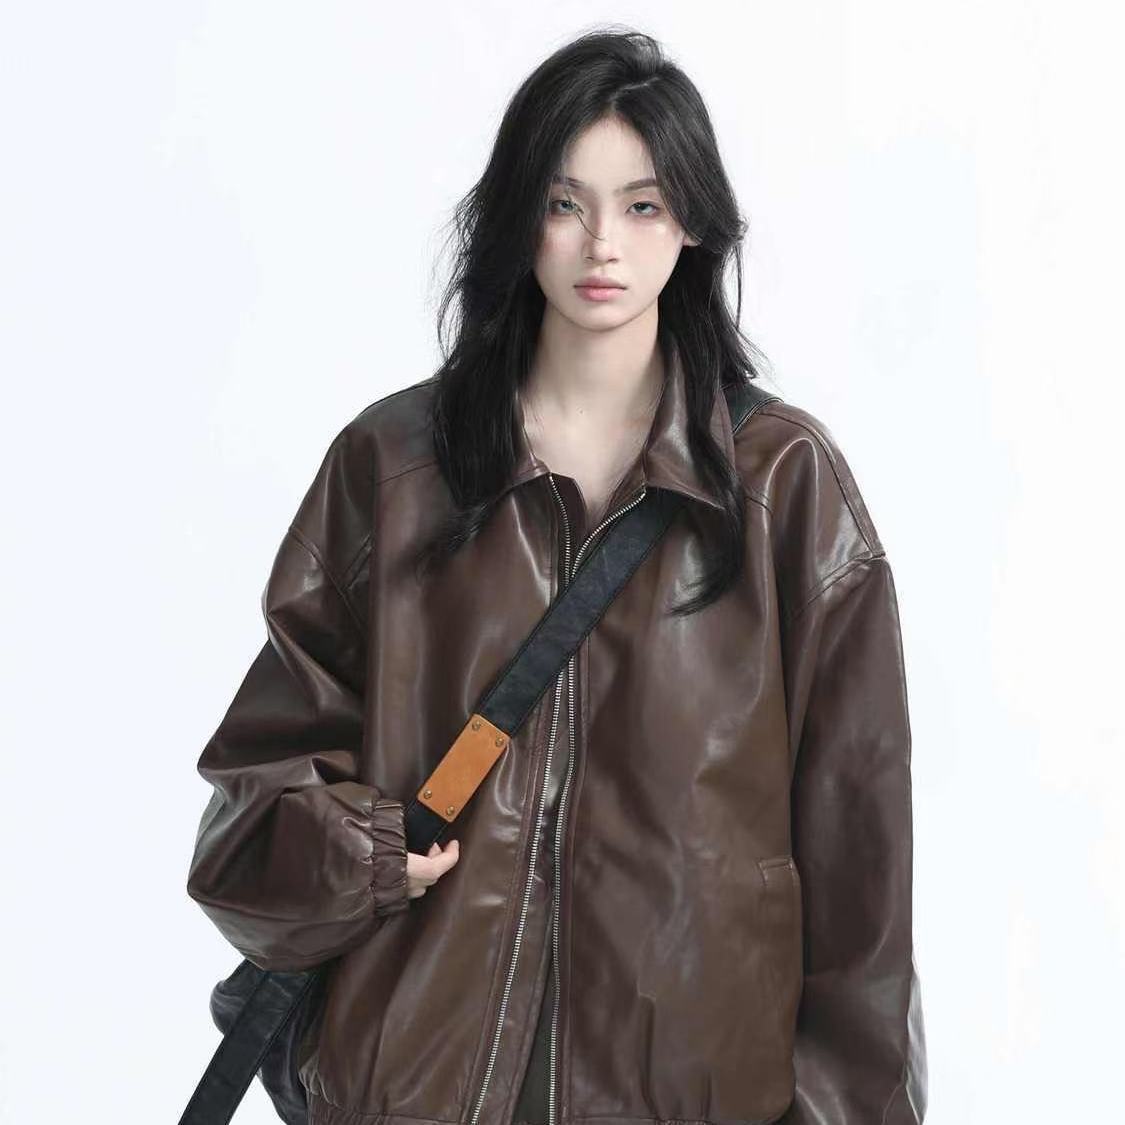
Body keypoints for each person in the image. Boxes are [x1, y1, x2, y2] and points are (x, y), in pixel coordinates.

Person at [185, 27, 927, 1125]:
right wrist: (368, 853)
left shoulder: (783, 485)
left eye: (643, 204)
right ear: (517, 216)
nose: (602, 245)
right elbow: (247, 813)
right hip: (421, 1090)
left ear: (693, 222)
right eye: (564, 203)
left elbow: (863, 872)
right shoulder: (394, 466)